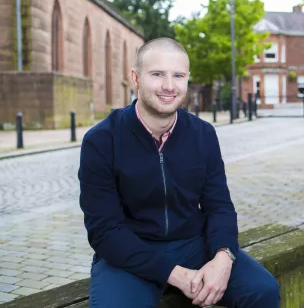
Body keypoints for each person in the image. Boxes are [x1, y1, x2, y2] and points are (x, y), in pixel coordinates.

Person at [78, 38, 280, 308]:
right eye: (157, 74)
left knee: (263, 291)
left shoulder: (203, 134)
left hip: (194, 244)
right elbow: (104, 230)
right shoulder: (102, 140)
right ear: (136, 78)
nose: (169, 86)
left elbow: (219, 206)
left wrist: (223, 256)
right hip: (130, 252)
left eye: (178, 76)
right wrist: (177, 275)